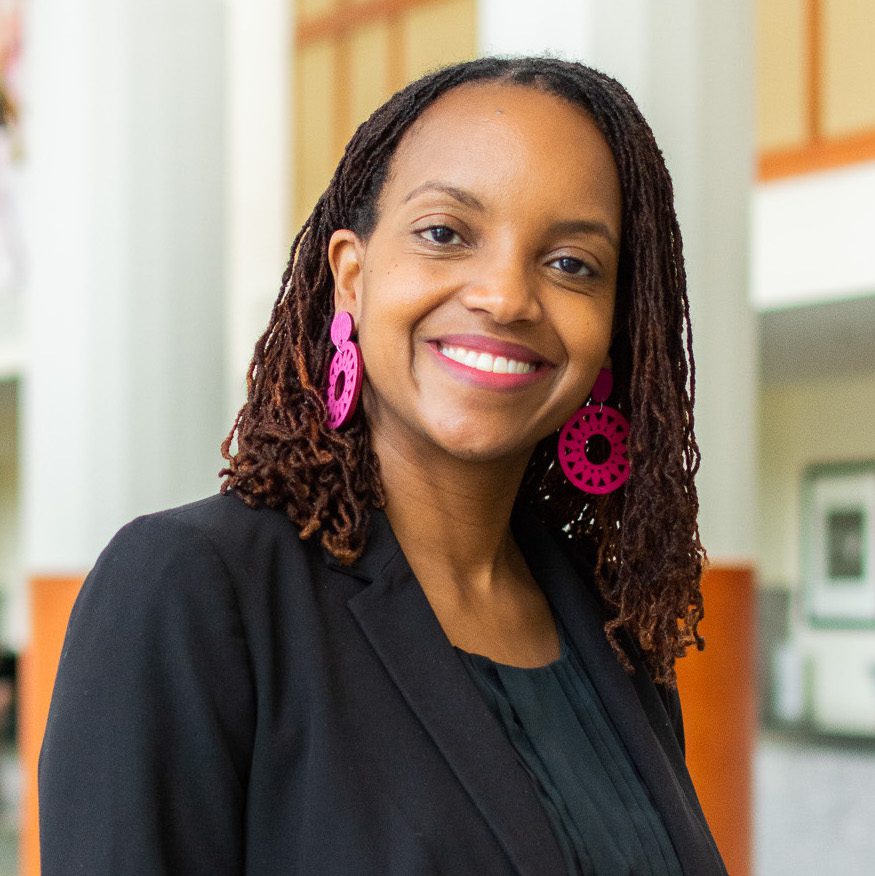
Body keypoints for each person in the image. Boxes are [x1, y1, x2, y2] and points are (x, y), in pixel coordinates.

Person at [39, 57, 727, 874]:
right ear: (351, 278)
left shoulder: (611, 629)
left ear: (610, 330)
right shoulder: (193, 589)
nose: (505, 297)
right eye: (445, 234)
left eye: (571, 263)